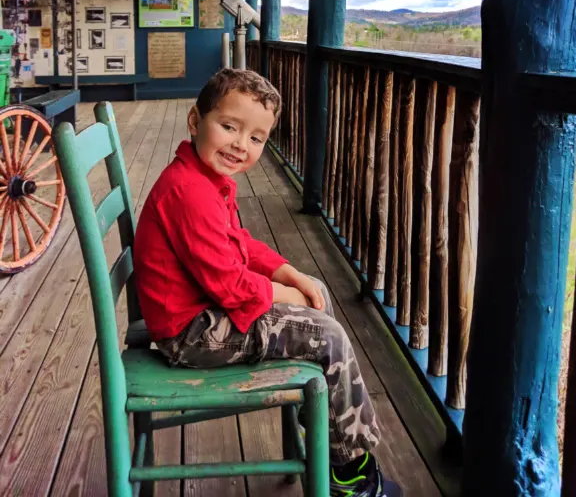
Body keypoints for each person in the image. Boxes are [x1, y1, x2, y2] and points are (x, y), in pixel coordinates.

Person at [134, 68, 402, 497]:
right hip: (191, 333)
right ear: (194, 121)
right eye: (229, 127)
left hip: (199, 312)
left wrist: (290, 273)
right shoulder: (189, 193)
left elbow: (240, 243)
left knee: (315, 298)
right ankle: (348, 472)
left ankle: (321, 429)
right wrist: (286, 293)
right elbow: (229, 285)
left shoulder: (205, 180)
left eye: (256, 137)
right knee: (327, 336)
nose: (241, 145)